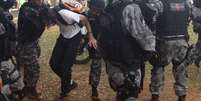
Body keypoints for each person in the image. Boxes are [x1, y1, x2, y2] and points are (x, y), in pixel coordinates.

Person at [90, 0, 156, 100]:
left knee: (121, 92)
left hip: (112, 62)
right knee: (130, 94)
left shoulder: (108, 8)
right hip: (129, 63)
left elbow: (102, 38)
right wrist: (151, 51)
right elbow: (142, 35)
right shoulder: (130, 8)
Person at [49, 0, 97, 98]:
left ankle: (64, 92)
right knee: (53, 63)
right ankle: (69, 81)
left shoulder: (65, 14)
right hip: (63, 36)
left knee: (65, 67)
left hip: (75, 37)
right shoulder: (50, 14)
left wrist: (91, 36)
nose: (47, 25)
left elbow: (84, 19)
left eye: (47, 22)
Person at [149, 0, 195, 101]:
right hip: (181, 41)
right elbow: (195, 15)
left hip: (164, 41)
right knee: (180, 67)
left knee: (158, 66)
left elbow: (150, 19)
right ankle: (182, 96)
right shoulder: (186, 3)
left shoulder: (160, 4)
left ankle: (155, 95)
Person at [16, 0, 51, 100]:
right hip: (25, 44)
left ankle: (28, 88)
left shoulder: (40, 7)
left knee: (29, 68)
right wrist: (44, 17)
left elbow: (50, 15)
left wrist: (46, 15)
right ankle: (30, 90)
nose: (41, 1)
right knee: (34, 68)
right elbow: (36, 24)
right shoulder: (26, 9)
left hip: (33, 41)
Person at [0, 0, 24, 100]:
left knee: (18, 83)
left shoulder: (3, 16)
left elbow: (9, 32)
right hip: (3, 58)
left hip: (5, 56)